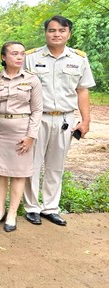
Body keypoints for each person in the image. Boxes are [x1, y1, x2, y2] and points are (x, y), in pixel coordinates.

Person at [23, 16, 95, 226]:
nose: (57, 34)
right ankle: (32, 208)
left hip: (65, 118)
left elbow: (82, 90)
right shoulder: (31, 57)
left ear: (69, 34)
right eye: (52, 30)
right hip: (37, 118)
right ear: (46, 33)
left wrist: (86, 120)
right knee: (32, 164)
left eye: (62, 30)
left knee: (56, 166)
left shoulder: (78, 59)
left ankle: (50, 208)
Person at [0, 41, 43, 232]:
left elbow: (37, 110)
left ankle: (12, 213)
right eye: (14, 53)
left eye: (22, 53)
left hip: (21, 131)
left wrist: (31, 136)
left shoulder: (32, 80)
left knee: (19, 173)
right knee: (0, 171)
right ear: (3, 57)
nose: (19, 57)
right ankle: (0, 210)